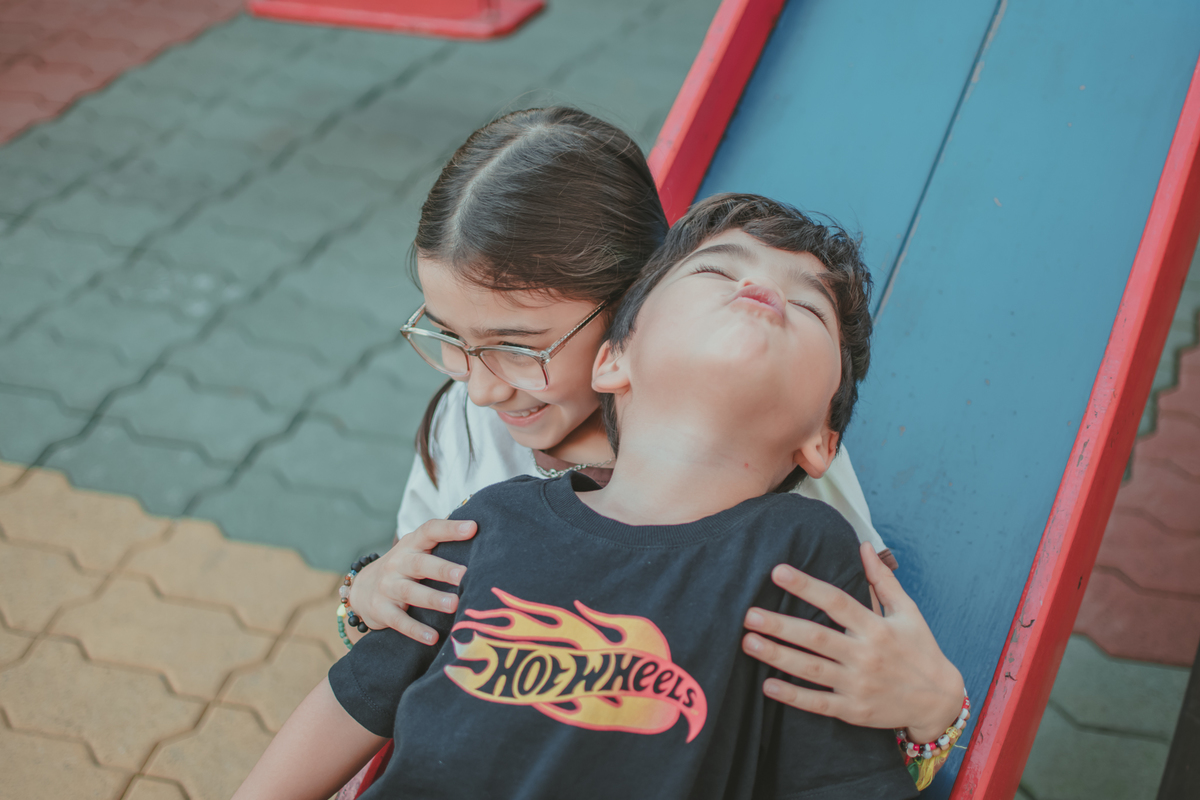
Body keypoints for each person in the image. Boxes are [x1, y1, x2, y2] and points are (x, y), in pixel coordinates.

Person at [233, 194, 924, 800]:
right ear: (613, 359)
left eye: (808, 305)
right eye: (717, 271)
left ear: (822, 441)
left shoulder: (804, 555)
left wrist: (934, 711)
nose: (761, 288)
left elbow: (840, 779)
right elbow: (353, 698)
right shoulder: (492, 519)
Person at [349, 108, 966, 771]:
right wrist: (366, 596)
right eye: (448, 336)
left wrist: (934, 711)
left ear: (633, 313)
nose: (480, 390)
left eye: (519, 349)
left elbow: (861, 684)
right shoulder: (468, 423)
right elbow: (402, 637)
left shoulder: (777, 464)